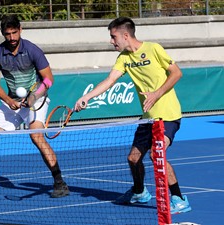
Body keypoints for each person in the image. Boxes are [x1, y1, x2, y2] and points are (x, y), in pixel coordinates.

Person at [75, 17, 191, 214]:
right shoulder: (124, 58)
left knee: (157, 154)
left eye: (113, 37)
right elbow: (110, 80)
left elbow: (177, 73)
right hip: (148, 117)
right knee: (133, 158)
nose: (112, 41)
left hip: (168, 115)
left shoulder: (154, 49)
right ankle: (139, 192)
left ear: (126, 35)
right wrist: (87, 96)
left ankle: (179, 198)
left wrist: (157, 93)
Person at [0, 15, 69, 198]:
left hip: (37, 99)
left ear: (20, 29)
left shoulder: (32, 50)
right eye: (8, 34)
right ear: (3, 34)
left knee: (36, 137)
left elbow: (48, 80)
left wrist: (33, 98)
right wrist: (8, 100)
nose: (12, 37)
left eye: (15, 32)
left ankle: (60, 182)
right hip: (12, 101)